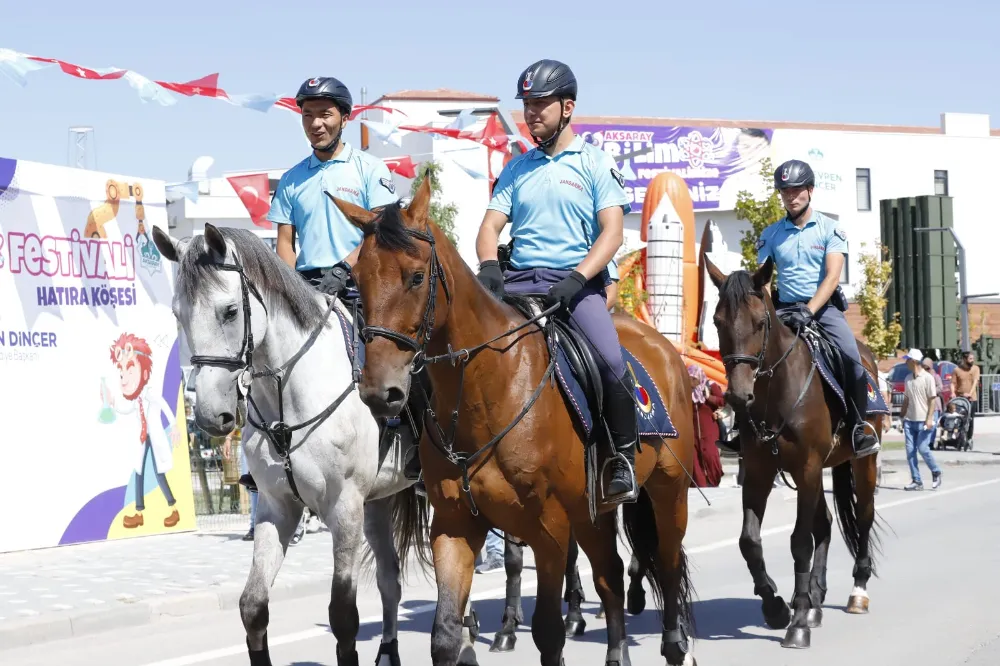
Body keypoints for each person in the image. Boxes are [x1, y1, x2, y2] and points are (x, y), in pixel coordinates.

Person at [236, 76, 414, 491]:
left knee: (392, 357)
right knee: (259, 359)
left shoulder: (370, 169)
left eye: (325, 114)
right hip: (305, 287)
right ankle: (260, 455)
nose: (316, 123)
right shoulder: (292, 179)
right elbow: (285, 242)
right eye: (308, 115)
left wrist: (345, 269)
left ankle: (413, 442)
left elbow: (381, 232)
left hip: (361, 285)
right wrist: (290, 287)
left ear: (345, 118)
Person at [474, 59, 638, 505]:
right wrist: (489, 266)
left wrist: (578, 277)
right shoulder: (516, 168)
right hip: (516, 284)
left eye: (541, 104)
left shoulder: (595, 163)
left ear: (568, 107)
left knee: (610, 362)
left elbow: (612, 232)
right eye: (527, 105)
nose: (531, 113)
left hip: (574, 288)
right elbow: (489, 227)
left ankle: (621, 459)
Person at [756, 159, 879, 458]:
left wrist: (809, 310)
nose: (791, 196)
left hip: (823, 310)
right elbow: (763, 280)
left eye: (797, 190)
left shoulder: (830, 229)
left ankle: (858, 427)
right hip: (783, 310)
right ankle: (744, 429)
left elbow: (832, 277)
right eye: (785, 191)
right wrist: (766, 311)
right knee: (748, 357)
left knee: (851, 357)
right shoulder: (770, 234)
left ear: (810, 190)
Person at [900, 348, 942, 490]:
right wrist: (901, 416)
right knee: (910, 451)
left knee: (923, 448)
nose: (905, 362)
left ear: (913, 361)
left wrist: (929, 419)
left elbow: (932, 400)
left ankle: (936, 471)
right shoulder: (908, 378)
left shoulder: (928, 378)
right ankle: (917, 481)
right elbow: (906, 400)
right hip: (909, 420)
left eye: (907, 359)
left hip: (924, 420)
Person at [688, 364, 724, 487]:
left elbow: (723, 401)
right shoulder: (686, 390)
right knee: (694, 460)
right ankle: (700, 485)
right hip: (692, 432)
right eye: (690, 378)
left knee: (710, 455)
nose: (692, 381)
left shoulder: (710, 385)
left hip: (709, 431)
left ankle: (713, 481)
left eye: (694, 378)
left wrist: (709, 397)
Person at [952, 350, 981, 445]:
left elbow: (975, 382)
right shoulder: (957, 370)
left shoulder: (975, 369)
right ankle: (956, 437)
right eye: (970, 359)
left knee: (970, 419)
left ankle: (969, 438)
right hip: (960, 399)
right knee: (957, 418)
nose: (972, 360)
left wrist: (970, 393)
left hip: (971, 399)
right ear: (964, 359)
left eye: (973, 358)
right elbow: (953, 383)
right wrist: (952, 392)